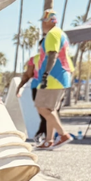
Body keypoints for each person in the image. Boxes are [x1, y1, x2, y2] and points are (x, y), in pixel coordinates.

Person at [33, 9, 73, 149]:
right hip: (60, 77)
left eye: (43, 22)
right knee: (51, 109)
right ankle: (48, 140)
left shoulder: (52, 34)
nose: (42, 25)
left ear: (50, 22)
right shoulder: (60, 33)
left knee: (41, 107)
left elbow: (53, 55)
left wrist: (45, 75)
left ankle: (63, 135)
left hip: (53, 77)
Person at [18, 53, 46, 143]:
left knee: (43, 113)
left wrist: (20, 86)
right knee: (51, 113)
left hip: (37, 87)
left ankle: (42, 134)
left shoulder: (35, 59)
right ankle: (46, 135)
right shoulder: (58, 57)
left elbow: (28, 74)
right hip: (54, 86)